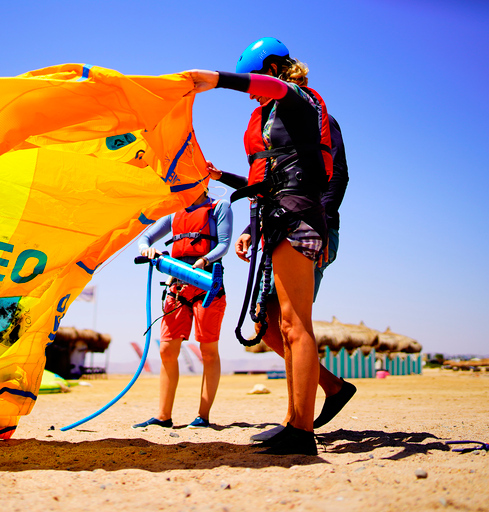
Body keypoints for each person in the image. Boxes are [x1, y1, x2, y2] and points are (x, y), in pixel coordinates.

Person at [187, 37, 336, 455]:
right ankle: (294, 422)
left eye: (255, 81)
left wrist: (214, 80)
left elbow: (278, 90)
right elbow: (262, 179)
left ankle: (302, 433)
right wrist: (224, 178)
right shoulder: (272, 115)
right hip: (276, 213)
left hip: (297, 212)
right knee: (281, 326)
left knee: (294, 324)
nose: (252, 92)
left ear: (270, 68)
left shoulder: (297, 98)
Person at [132, 188, 232, 429]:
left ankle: (203, 417)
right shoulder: (174, 213)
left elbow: (224, 245)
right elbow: (143, 239)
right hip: (176, 287)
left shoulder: (219, 207)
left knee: (208, 351)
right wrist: (148, 249)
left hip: (208, 286)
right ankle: (163, 416)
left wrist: (204, 260)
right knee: (167, 349)